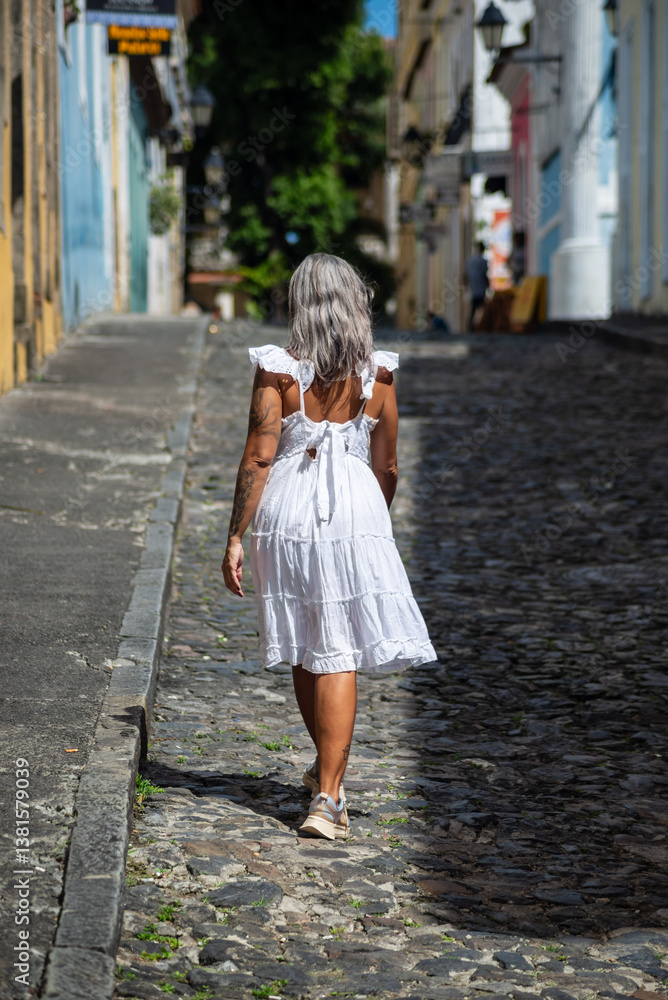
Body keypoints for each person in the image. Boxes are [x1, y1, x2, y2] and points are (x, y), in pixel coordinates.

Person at [221, 253, 437, 841]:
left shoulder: (278, 371)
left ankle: (327, 777)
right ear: (355, 302)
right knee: (335, 649)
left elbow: (261, 456)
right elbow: (388, 465)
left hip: (289, 513)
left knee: (305, 642)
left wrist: (236, 535)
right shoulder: (378, 376)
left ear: (300, 303)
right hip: (357, 508)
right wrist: (366, 522)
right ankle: (329, 796)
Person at [465, 241, 489, 331]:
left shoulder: (469, 261)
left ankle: (470, 327)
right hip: (481, 288)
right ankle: (481, 327)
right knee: (482, 310)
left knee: (472, 310)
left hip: (472, 288)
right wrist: (488, 286)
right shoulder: (482, 261)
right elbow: (484, 275)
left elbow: (465, 275)